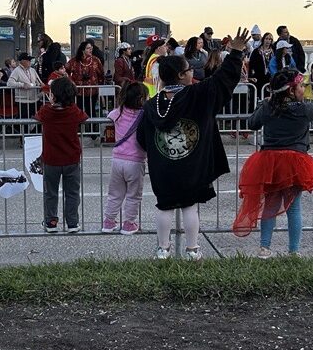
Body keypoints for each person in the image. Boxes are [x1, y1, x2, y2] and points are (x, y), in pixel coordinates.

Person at [137, 27, 249, 261]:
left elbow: (141, 137)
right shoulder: (197, 94)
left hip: (163, 163)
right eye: (188, 70)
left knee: (164, 205)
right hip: (192, 163)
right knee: (189, 206)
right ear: (180, 75)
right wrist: (236, 54)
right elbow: (222, 80)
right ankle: (192, 249)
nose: (191, 73)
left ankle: (163, 250)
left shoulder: (152, 104)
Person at [233, 69, 313, 257]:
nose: (303, 89)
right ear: (291, 90)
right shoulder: (302, 109)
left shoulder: (269, 107)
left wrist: (262, 105)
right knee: (294, 207)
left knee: (271, 205)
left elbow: (252, 124)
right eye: (301, 86)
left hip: (270, 161)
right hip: (294, 161)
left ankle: (264, 248)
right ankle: (293, 251)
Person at [34, 77, 88, 233]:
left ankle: (51, 222)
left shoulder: (46, 111)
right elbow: (84, 117)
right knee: (72, 193)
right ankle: (72, 222)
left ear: (54, 95)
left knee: (50, 192)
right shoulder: (74, 111)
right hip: (71, 158)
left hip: (51, 159)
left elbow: (37, 117)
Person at [102, 82, 148, 235]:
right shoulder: (144, 115)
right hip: (136, 161)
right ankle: (129, 223)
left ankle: (108, 222)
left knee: (115, 194)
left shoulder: (118, 112)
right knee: (133, 195)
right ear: (142, 99)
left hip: (117, 159)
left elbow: (109, 117)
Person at [66, 41, 104, 116]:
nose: (90, 50)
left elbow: (101, 74)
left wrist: (99, 86)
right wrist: (71, 82)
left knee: (90, 111)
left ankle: (91, 127)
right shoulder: (74, 61)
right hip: (78, 91)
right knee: (77, 111)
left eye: (91, 48)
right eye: (88, 48)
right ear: (82, 50)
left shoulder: (96, 60)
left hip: (92, 91)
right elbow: (65, 72)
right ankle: (78, 127)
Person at [8, 52, 44, 119]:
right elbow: (9, 83)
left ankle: (33, 130)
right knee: (24, 121)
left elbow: (39, 82)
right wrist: (22, 85)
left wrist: (41, 85)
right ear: (22, 61)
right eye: (28, 60)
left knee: (38, 120)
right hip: (23, 101)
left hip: (35, 100)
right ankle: (21, 129)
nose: (30, 61)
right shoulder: (16, 71)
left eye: (30, 60)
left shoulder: (33, 70)